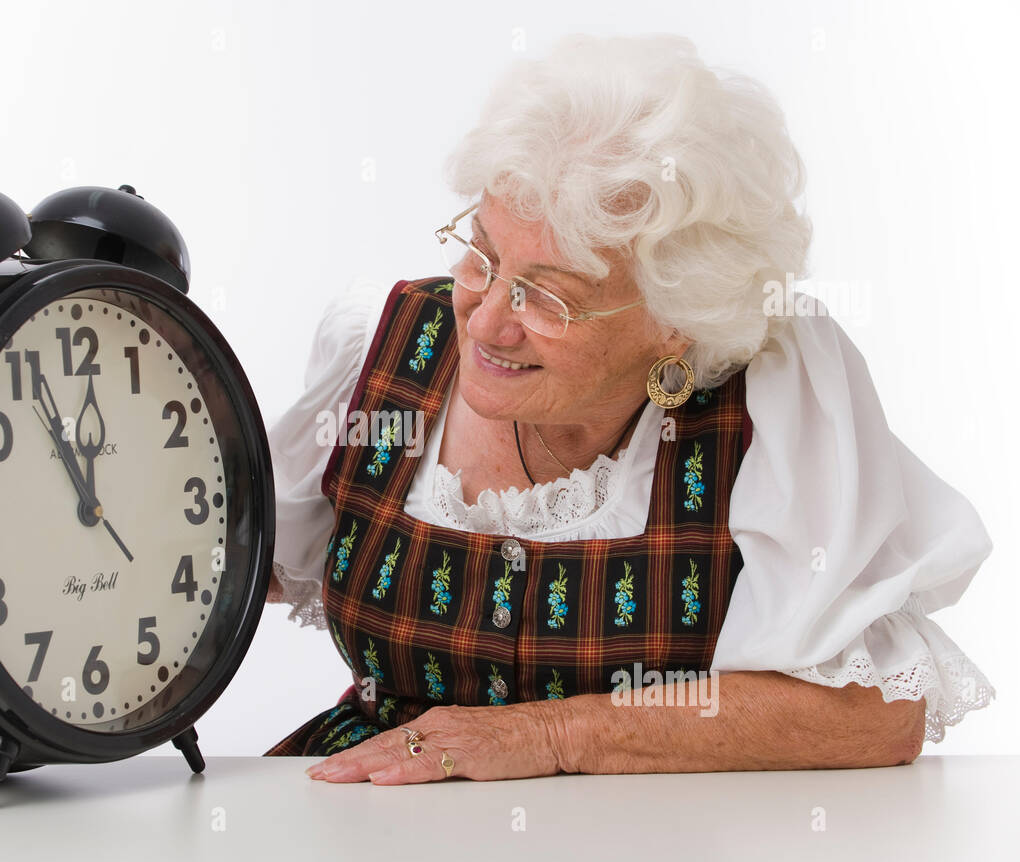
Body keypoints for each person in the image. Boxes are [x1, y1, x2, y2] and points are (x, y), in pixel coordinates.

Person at [262, 34, 993, 784]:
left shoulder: (773, 392)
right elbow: (245, 565)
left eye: (546, 297)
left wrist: (551, 735)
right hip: (366, 820)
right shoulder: (382, 351)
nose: (483, 323)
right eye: (481, 256)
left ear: (677, 318)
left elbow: (874, 710)